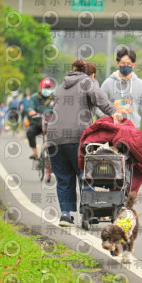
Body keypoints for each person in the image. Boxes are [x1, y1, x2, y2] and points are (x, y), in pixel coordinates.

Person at [47, 60, 122, 226]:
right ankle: (89, 211)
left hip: (54, 137)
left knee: (64, 178)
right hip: (77, 136)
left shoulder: (62, 85)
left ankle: (66, 215)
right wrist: (113, 113)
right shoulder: (88, 82)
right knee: (86, 175)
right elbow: (98, 97)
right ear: (92, 74)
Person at [100, 48, 142, 135]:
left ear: (133, 65)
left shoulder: (141, 84)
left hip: (134, 130)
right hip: (113, 131)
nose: (126, 66)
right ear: (117, 63)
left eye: (128, 64)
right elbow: (98, 106)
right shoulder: (107, 83)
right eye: (123, 63)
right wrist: (110, 116)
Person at [26, 78, 55, 160]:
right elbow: (30, 107)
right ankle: (35, 154)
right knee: (30, 132)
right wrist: (31, 111)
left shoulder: (55, 97)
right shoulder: (34, 97)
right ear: (40, 88)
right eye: (45, 87)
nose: (47, 89)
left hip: (52, 124)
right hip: (38, 123)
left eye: (48, 87)